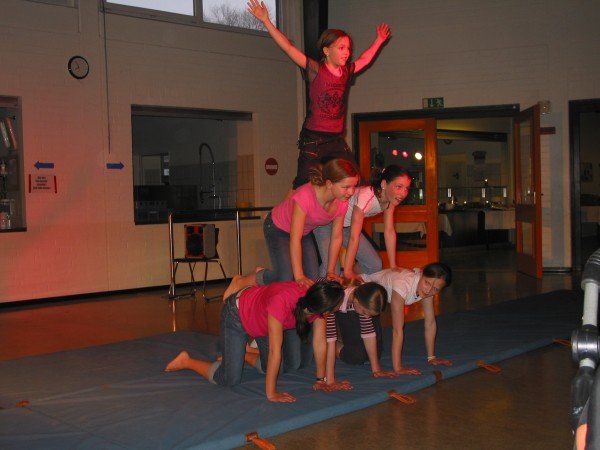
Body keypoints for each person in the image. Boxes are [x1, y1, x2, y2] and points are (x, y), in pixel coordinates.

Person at [247, 0, 391, 189]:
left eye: (348, 48)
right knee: (303, 185)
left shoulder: (346, 72)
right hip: (314, 139)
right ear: (326, 50)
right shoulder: (316, 70)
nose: (347, 53)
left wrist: (379, 40)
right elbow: (288, 48)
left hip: (336, 140)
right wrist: (266, 21)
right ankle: (283, 209)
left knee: (354, 179)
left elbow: (364, 59)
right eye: (341, 48)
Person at [165, 279, 345, 403]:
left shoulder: (317, 307)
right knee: (229, 379)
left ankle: (241, 355)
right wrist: (271, 393)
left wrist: (321, 379)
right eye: (338, 305)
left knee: (274, 367)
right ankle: (186, 361)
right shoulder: (283, 302)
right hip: (237, 315)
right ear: (326, 310)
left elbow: (319, 343)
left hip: (262, 322)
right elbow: (275, 350)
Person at [259, 158, 359, 288]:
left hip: (303, 233)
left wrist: (330, 271)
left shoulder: (341, 202)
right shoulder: (305, 195)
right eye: (346, 187)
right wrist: (299, 276)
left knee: (312, 278)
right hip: (277, 227)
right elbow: (295, 239)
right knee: (286, 277)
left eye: (354, 186)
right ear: (329, 184)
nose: (351, 192)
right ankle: (255, 277)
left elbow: (336, 237)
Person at [313, 165, 412, 280]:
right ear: (384, 184)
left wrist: (393, 265)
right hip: (327, 224)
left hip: (347, 227)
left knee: (374, 265)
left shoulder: (390, 201)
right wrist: (348, 270)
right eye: (399, 187)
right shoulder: (366, 196)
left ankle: (345, 281)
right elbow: (354, 237)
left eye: (406, 188)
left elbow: (389, 231)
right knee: (332, 271)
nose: (403, 193)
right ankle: (319, 285)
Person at [360, 263, 453, 375]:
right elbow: (397, 330)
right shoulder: (402, 285)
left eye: (435, 289)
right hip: (361, 294)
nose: (428, 290)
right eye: (427, 283)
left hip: (374, 304)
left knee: (376, 351)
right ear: (421, 274)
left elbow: (430, 323)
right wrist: (398, 368)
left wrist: (431, 357)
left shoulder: (427, 289)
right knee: (357, 356)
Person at [321, 280, 398, 389]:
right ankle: (340, 343)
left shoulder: (362, 298)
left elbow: (368, 333)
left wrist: (376, 370)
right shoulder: (333, 302)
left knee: (376, 353)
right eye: (365, 313)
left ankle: (349, 337)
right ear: (357, 300)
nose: (367, 317)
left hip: (349, 308)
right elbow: (330, 339)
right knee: (356, 356)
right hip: (326, 311)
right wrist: (330, 381)